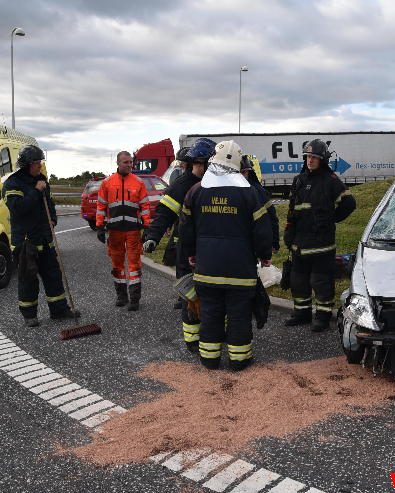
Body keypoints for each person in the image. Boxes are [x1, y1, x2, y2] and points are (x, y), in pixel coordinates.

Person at [180, 140, 273, 371]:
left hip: (207, 269)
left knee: (210, 313)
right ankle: (239, 360)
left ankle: (209, 360)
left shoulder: (196, 191)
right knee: (239, 314)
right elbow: (262, 230)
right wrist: (264, 256)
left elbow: (185, 229)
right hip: (240, 271)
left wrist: (191, 254)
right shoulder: (250, 194)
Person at [143, 138, 216, 351]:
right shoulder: (181, 185)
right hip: (187, 250)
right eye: (197, 163)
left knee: (213, 296)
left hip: (211, 250)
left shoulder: (218, 183)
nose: (200, 168)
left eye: (204, 164)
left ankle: (213, 335)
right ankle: (193, 341)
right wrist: (152, 236)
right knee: (190, 296)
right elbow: (164, 214)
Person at [283, 139, 356, 332]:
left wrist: (331, 219)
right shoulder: (299, 180)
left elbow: (349, 204)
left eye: (314, 157)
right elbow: (292, 210)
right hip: (300, 242)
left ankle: (322, 316)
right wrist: (289, 233)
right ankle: (302, 313)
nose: (310, 160)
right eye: (308, 157)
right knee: (298, 281)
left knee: (321, 281)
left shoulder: (330, 180)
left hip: (321, 244)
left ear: (322, 159)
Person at [4, 145, 79, 327]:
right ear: (27, 164)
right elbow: (18, 209)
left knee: (53, 275)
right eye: (37, 163)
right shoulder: (13, 183)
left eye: (40, 162)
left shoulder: (42, 180)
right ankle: (30, 315)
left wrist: (52, 220)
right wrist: (36, 191)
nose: (40, 166)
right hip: (25, 242)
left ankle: (59, 310)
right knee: (28, 280)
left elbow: (50, 204)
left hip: (45, 238)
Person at [94, 151, 152, 311]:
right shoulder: (107, 183)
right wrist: (99, 226)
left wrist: (147, 226)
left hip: (133, 231)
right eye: (126, 162)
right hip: (114, 232)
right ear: (118, 163)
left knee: (134, 264)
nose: (129, 165)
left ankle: (134, 299)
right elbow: (101, 206)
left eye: (130, 162)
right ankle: (121, 296)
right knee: (116, 265)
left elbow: (145, 206)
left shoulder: (138, 182)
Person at [241, 155, 279, 253]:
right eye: (238, 173)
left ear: (249, 172)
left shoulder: (258, 191)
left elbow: (272, 216)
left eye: (244, 172)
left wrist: (274, 242)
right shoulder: (227, 191)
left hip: (252, 244)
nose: (241, 176)